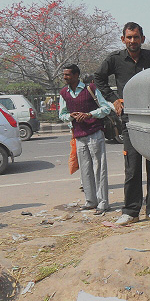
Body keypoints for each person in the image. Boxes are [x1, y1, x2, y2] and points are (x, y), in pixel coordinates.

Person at [95, 22, 150, 225]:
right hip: (129, 121)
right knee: (132, 167)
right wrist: (114, 99)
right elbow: (98, 78)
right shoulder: (115, 59)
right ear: (123, 39)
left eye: (136, 37)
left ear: (142, 39)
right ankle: (131, 211)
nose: (132, 41)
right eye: (129, 37)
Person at [59, 64, 112, 215]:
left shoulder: (91, 89)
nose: (65, 78)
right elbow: (62, 115)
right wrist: (71, 116)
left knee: (99, 168)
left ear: (76, 75)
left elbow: (106, 108)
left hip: (95, 132)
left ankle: (103, 203)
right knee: (85, 169)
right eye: (64, 75)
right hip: (79, 135)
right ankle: (90, 201)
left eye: (68, 75)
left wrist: (89, 114)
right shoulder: (64, 93)